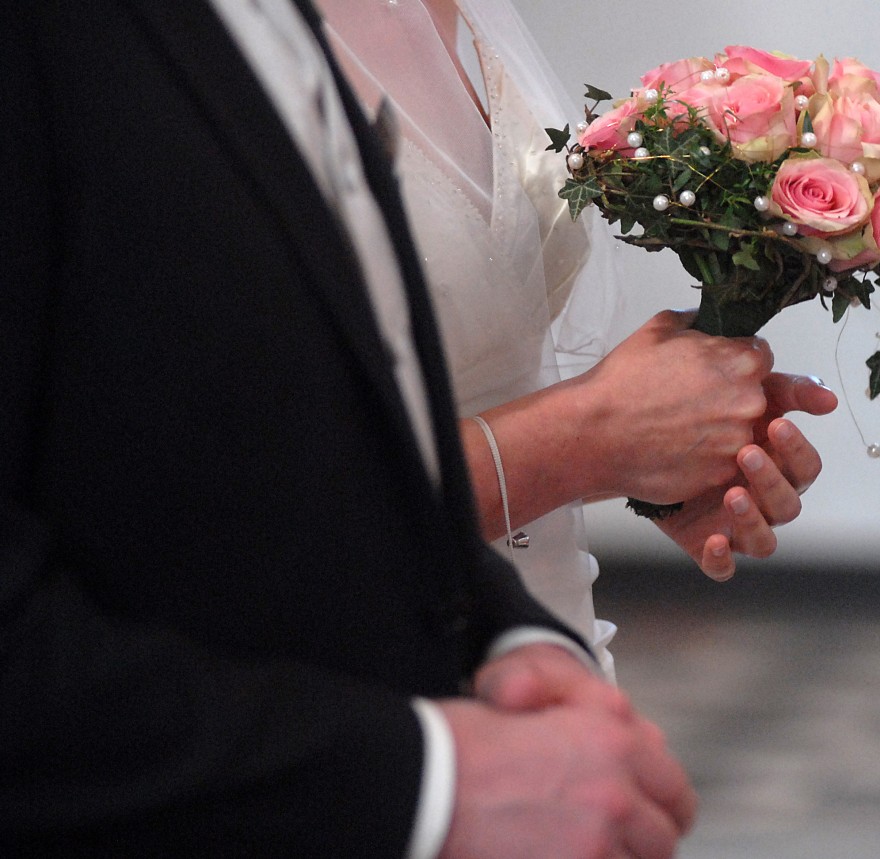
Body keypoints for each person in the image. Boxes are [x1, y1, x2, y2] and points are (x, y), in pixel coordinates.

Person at [0, 1, 696, 855]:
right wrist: (427, 779)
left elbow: (275, 422)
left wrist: (511, 631)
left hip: (507, 687)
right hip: (270, 769)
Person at [318, 0, 838, 673]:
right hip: (374, 676)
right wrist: (587, 436)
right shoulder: (207, 43)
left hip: (554, 624)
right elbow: (267, 503)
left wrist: (658, 453)